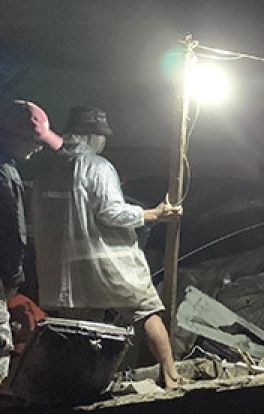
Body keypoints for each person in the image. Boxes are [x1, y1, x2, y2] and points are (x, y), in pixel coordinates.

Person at [34, 106, 182, 388]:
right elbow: (111, 212)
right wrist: (153, 214)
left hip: (65, 270)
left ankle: (79, 387)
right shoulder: (97, 166)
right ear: (91, 136)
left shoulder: (48, 168)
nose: (104, 142)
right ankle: (171, 375)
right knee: (146, 310)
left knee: (78, 330)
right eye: (102, 136)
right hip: (108, 262)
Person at [0, 100, 61, 383]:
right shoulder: (6, 174)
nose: (38, 149)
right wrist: (13, 278)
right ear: (13, 137)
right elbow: (13, 232)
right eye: (35, 142)